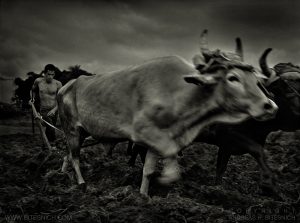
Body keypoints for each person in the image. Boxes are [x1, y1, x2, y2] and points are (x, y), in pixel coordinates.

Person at [31, 64, 62, 144]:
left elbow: (61, 100)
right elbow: (32, 90)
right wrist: (32, 98)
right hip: (44, 109)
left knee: (50, 128)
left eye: (52, 74)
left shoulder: (58, 84)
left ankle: (47, 145)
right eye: (49, 74)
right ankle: (53, 144)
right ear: (44, 73)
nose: (51, 77)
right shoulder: (38, 81)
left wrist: (54, 110)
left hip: (54, 110)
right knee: (51, 128)